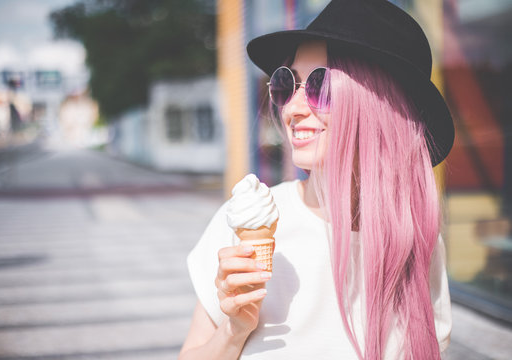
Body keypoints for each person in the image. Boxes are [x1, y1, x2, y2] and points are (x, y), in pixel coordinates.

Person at [179, 0, 454, 359]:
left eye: (319, 86)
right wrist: (234, 329)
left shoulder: (418, 241)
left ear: (379, 106)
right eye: (285, 83)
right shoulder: (251, 218)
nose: (291, 108)